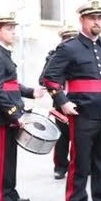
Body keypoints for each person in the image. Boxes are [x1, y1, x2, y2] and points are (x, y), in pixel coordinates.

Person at [41, 0, 101, 201]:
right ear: (82, 20)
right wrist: (63, 101)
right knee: (81, 161)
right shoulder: (69, 47)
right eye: (92, 18)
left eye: (99, 18)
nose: (96, 22)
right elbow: (50, 78)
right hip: (82, 112)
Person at [0, 12, 44, 201]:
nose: (13, 32)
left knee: (10, 155)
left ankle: (10, 192)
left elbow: (12, 85)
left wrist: (31, 92)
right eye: (9, 29)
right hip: (1, 116)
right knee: (1, 157)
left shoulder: (3, 53)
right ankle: (0, 199)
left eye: (13, 28)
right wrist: (14, 114)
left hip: (8, 113)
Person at [44, 25, 78, 179]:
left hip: (78, 100)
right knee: (62, 137)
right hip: (60, 100)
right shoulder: (54, 56)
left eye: (72, 38)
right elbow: (44, 78)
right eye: (67, 38)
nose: (70, 41)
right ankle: (60, 166)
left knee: (79, 136)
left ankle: (79, 165)